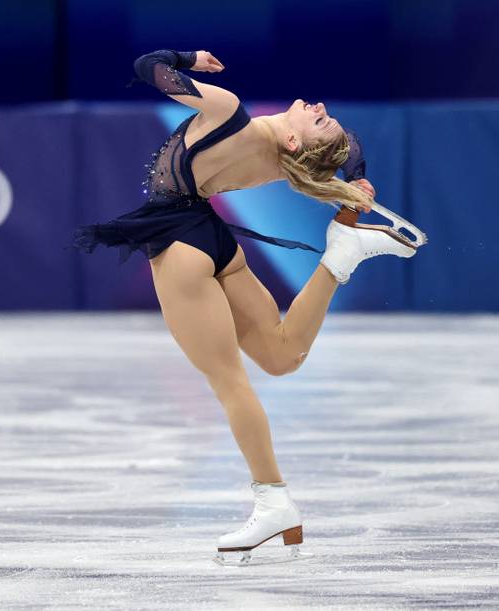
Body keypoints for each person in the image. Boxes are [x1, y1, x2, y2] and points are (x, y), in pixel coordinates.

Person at [72, 49, 419, 564]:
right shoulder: (286, 165)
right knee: (282, 357)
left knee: (230, 383)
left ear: (297, 140)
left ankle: (273, 498)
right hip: (210, 236)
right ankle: (341, 256)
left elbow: (148, 67)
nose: (316, 104)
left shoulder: (230, 112)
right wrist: (355, 179)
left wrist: (186, 57)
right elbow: (335, 159)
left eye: (320, 118)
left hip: (182, 243)